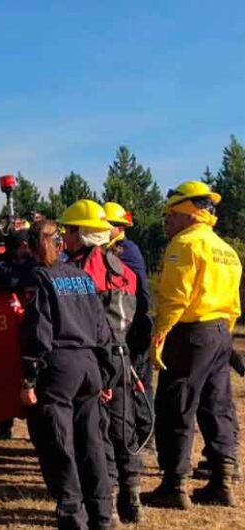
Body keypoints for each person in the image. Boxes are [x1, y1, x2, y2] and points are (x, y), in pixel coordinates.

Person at [143, 180, 242, 509]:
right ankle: (222, 481)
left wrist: (160, 336)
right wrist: (224, 337)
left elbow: (174, 298)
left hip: (189, 334)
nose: (167, 222)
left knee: (175, 407)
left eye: (169, 214)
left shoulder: (183, 245)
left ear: (186, 213)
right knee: (217, 406)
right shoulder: (226, 250)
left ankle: (175, 486)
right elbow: (233, 304)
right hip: (219, 332)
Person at [21, 220, 116, 530]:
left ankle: (73, 516)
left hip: (61, 367)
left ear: (31, 247)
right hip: (90, 365)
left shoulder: (41, 278)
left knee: (61, 444)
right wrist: (107, 374)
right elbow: (102, 326)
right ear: (61, 244)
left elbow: (39, 330)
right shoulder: (83, 277)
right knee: (92, 443)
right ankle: (102, 515)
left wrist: (29, 378)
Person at [61, 199, 144, 524]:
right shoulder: (122, 269)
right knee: (125, 429)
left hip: (97, 361)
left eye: (68, 231)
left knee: (98, 434)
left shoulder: (78, 274)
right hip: (122, 357)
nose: (64, 237)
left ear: (81, 233)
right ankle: (132, 496)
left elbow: (80, 324)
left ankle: (104, 504)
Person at [103, 202, 154, 449]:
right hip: (129, 325)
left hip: (135, 327)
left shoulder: (125, 250)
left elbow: (135, 293)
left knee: (137, 384)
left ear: (118, 227)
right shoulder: (114, 248)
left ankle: (145, 436)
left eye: (107, 224)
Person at [0, 228, 38, 440]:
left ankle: (36, 432)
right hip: (6, 330)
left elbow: (14, 280)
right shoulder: (8, 258)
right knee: (5, 377)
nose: (19, 251)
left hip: (30, 329)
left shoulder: (34, 263)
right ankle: (3, 426)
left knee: (30, 380)